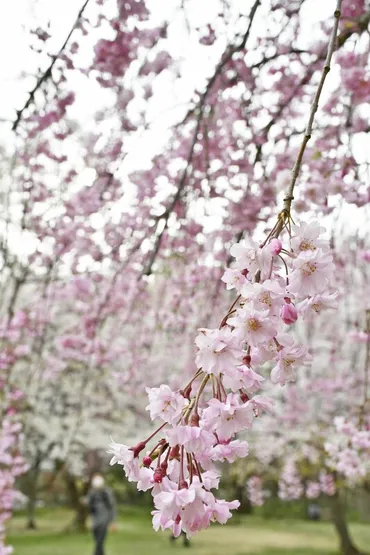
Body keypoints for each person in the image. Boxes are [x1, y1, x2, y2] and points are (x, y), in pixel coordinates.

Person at [87, 474, 116, 555]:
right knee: (97, 540)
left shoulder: (106, 493)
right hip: (95, 521)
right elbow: (90, 507)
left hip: (104, 520)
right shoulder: (92, 493)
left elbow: (111, 507)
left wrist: (112, 521)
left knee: (99, 541)